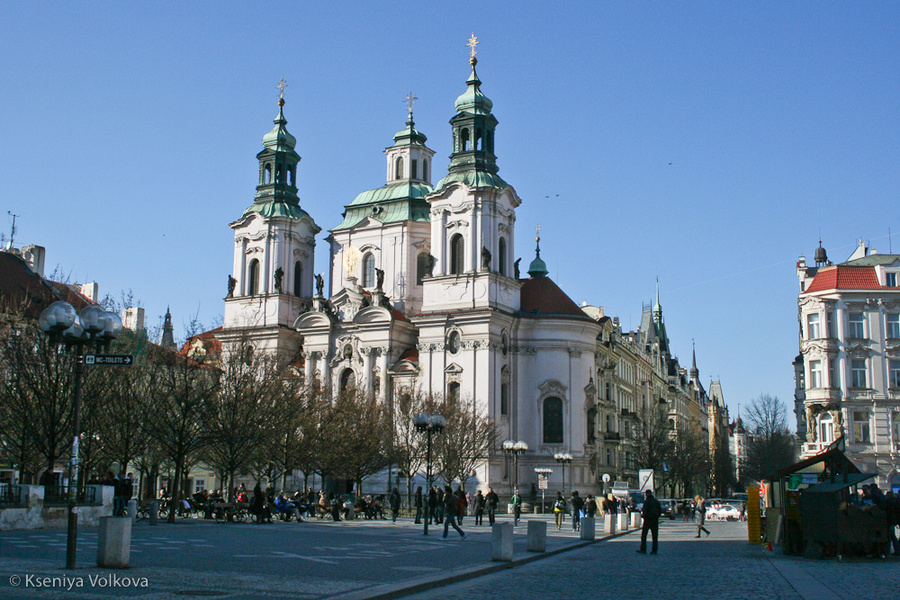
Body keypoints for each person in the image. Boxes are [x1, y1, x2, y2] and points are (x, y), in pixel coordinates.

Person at [637, 489, 662, 554]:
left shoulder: (646, 501)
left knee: (644, 535)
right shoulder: (656, 501)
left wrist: (644, 516)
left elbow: (645, 510)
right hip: (655, 520)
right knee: (655, 536)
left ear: (646, 494)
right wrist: (657, 516)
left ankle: (643, 549)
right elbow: (660, 510)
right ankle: (654, 550)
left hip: (647, 520)